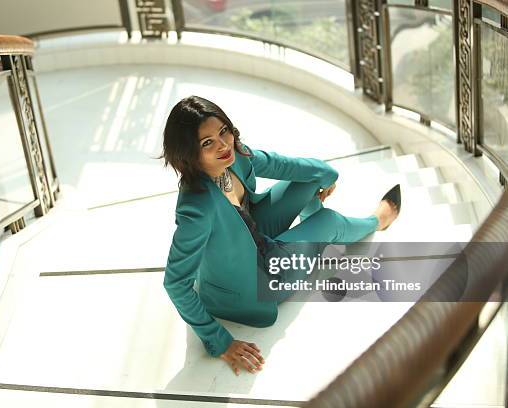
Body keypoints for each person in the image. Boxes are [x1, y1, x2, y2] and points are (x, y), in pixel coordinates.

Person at [161, 95, 400, 376]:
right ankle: (376, 221)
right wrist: (219, 341)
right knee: (328, 220)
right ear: (189, 153)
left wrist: (327, 175)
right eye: (207, 143)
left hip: (255, 233)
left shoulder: (235, 156)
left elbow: (282, 164)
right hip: (256, 282)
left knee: (309, 178)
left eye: (223, 131)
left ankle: (313, 237)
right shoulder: (196, 208)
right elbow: (175, 283)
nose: (223, 145)